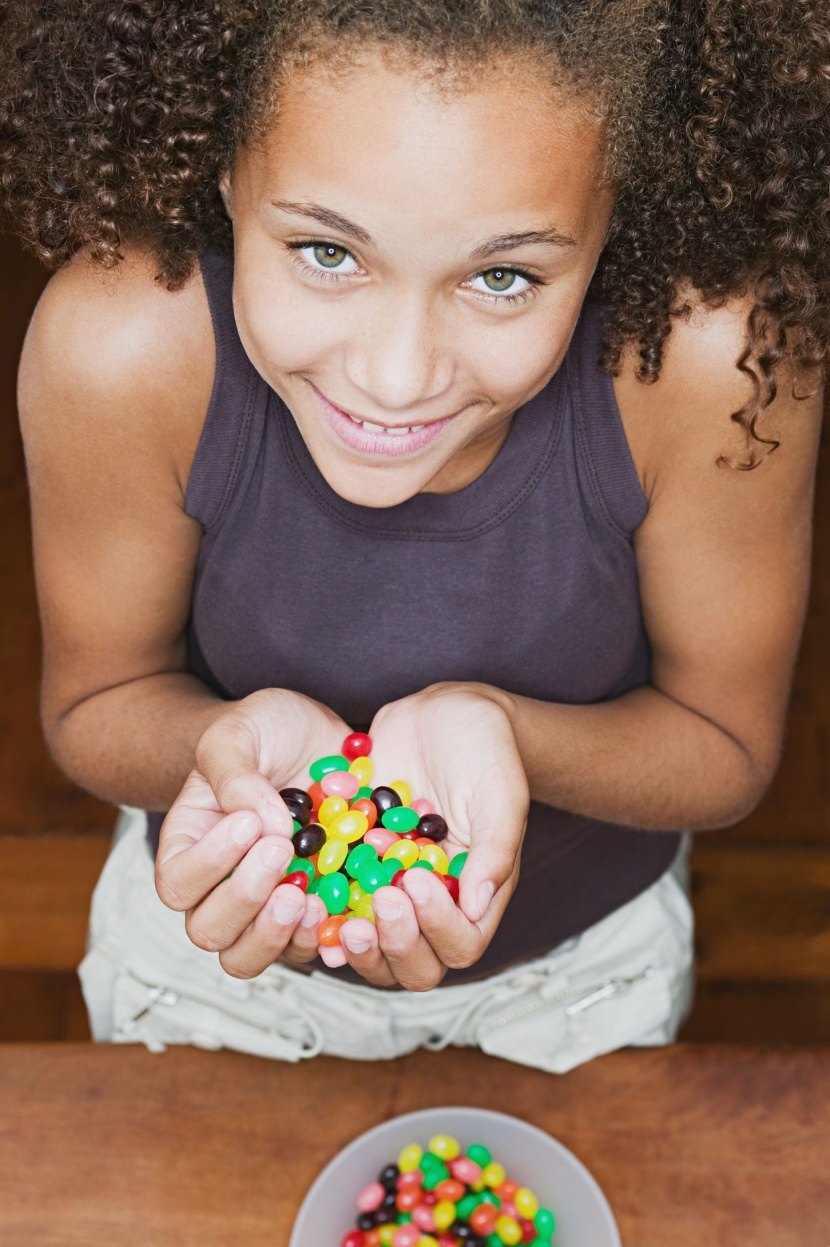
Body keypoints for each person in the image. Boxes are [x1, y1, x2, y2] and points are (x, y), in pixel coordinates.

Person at [1, 0, 827, 1070]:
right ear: (223, 179)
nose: (395, 378)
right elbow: (93, 706)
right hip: (213, 977)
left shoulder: (713, 367)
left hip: (574, 986)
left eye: (502, 276)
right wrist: (226, 753)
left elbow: (722, 748)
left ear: (616, 214)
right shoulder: (120, 348)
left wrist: (500, 729)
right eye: (323, 252)